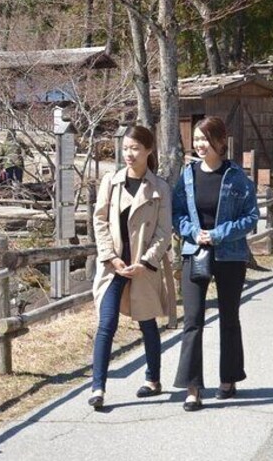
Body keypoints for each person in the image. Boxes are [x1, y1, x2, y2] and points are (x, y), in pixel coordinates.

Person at [173, 116, 259, 411]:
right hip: (194, 251)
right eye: (196, 139)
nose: (199, 144)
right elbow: (177, 213)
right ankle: (193, 387)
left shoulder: (236, 177)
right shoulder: (187, 175)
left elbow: (251, 217)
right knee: (192, 320)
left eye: (205, 139)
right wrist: (193, 232)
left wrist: (218, 234)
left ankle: (229, 378)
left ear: (221, 142)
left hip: (230, 254)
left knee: (229, 317)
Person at [89, 125, 175, 410]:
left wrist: (146, 262)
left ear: (149, 150)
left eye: (135, 148)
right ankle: (98, 387)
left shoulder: (160, 188)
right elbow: (99, 220)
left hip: (143, 265)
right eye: (126, 148)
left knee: (147, 322)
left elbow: (164, 231)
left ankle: (153, 379)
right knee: (106, 323)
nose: (129, 153)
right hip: (114, 265)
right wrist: (110, 257)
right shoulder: (111, 182)